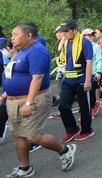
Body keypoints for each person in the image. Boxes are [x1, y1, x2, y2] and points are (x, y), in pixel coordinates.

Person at [2, 23, 77, 177]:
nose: (12, 37)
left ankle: (65, 150)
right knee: (18, 134)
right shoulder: (20, 51)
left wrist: (29, 102)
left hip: (33, 98)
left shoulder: (37, 51)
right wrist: (4, 95)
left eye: (16, 34)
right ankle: (25, 168)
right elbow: (14, 75)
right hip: (13, 99)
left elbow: (37, 78)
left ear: (29, 36)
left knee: (32, 135)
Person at [56, 19, 95, 142]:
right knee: (63, 106)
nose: (64, 34)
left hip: (82, 77)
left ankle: (86, 130)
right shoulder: (65, 42)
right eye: (63, 32)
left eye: (67, 31)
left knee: (84, 107)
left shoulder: (84, 42)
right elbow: (62, 58)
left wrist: (88, 80)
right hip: (68, 78)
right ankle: (72, 129)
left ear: (74, 30)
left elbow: (89, 61)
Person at [82, 28, 102, 119]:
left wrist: (98, 72)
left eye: (92, 35)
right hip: (82, 73)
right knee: (83, 94)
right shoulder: (79, 46)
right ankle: (87, 111)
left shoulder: (95, 46)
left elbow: (99, 60)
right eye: (89, 35)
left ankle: (89, 112)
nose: (91, 37)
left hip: (93, 72)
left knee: (90, 94)